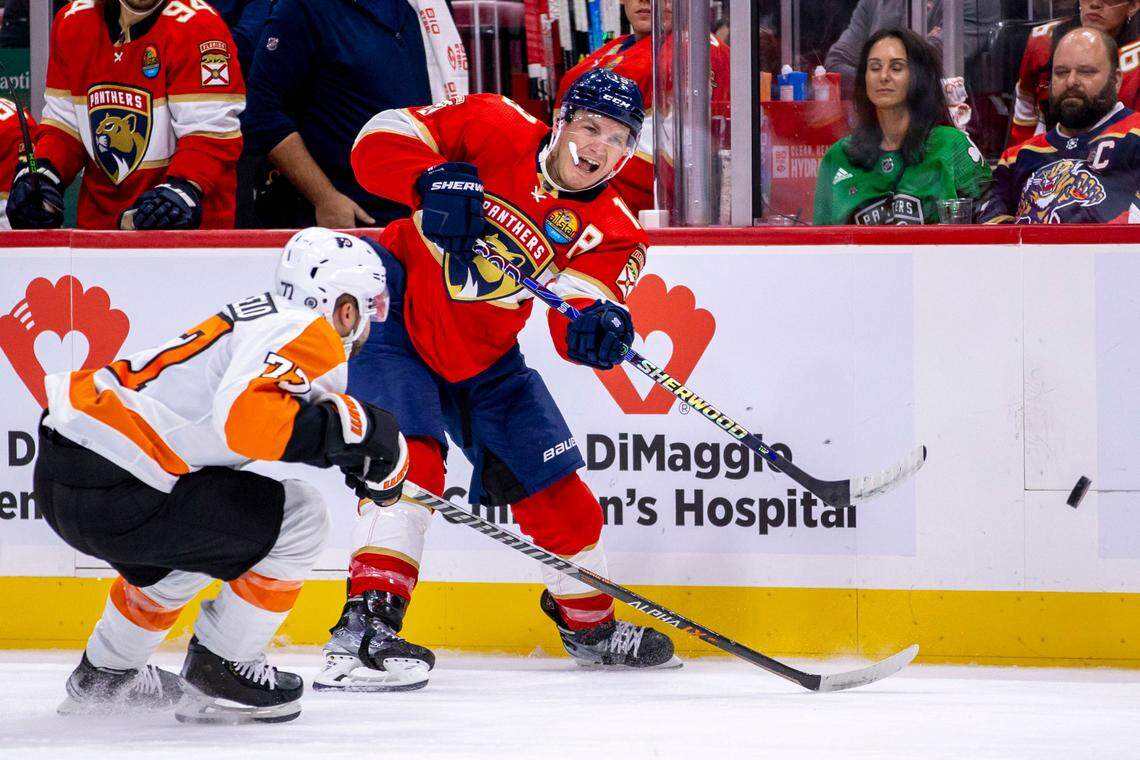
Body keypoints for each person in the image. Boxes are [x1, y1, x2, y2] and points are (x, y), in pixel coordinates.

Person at [313, 69, 679, 693]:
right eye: (589, 127)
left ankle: (588, 629)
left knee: (561, 499)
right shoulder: (494, 123)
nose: (597, 149)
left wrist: (599, 328)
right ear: (561, 122)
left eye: (617, 139)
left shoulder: (616, 231)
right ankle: (364, 630)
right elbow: (371, 144)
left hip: (486, 355)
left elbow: (575, 319)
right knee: (410, 462)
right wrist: (426, 180)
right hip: (397, 313)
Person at [33, 228, 407, 723]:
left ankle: (105, 676)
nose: (367, 323)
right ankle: (224, 665)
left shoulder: (263, 314)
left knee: (196, 541)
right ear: (343, 307)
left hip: (69, 473)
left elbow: (245, 412)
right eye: (367, 307)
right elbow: (246, 421)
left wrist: (352, 445)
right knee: (301, 517)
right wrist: (352, 438)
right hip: (121, 485)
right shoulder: (310, 332)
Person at [7, 0, 245, 230]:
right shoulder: (73, 21)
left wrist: (182, 190)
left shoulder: (200, 26)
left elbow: (210, 137)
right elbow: (64, 128)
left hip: (189, 241)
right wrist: (42, 174)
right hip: (97, 234)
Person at [242, 0, 467, 228]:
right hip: (351, 219)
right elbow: (263, 114)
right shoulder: (303, 8)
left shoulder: (431, 7)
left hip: (427, 213)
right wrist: (325, 198)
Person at [553, 0, 731, 215]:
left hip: (633, 214)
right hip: (583, 197)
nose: (647, 1)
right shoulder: (617, 47)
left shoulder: (693, 48)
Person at [813, 28, 990, 225]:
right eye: (874, 67)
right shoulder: (838, 157)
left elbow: (993, 227)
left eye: (896, 68)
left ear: (919, 77)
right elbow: (821, 245)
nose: (883, 76)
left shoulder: (951, 146)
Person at [980, 27, 1140, 223]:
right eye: (1061, 72)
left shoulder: (1135, 134)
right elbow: (991, 233)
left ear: (1115, 80)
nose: (1071, 81)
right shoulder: (1017, 157)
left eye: (1086, 72)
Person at [1008, 0, 1140, 147]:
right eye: (1062, 71)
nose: (1095, 4)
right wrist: (1025, 155)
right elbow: (1025, 105)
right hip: (1052, 157)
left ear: (1133, 6)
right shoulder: (1042, 42)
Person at [824, 0, 944, 97]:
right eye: (875, 67)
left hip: (933, 119)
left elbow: (928, 67)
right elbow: (835, 64)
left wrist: (873, 72)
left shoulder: (954, 6)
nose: (884, 77)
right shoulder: (873, 3)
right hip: (877, 120)